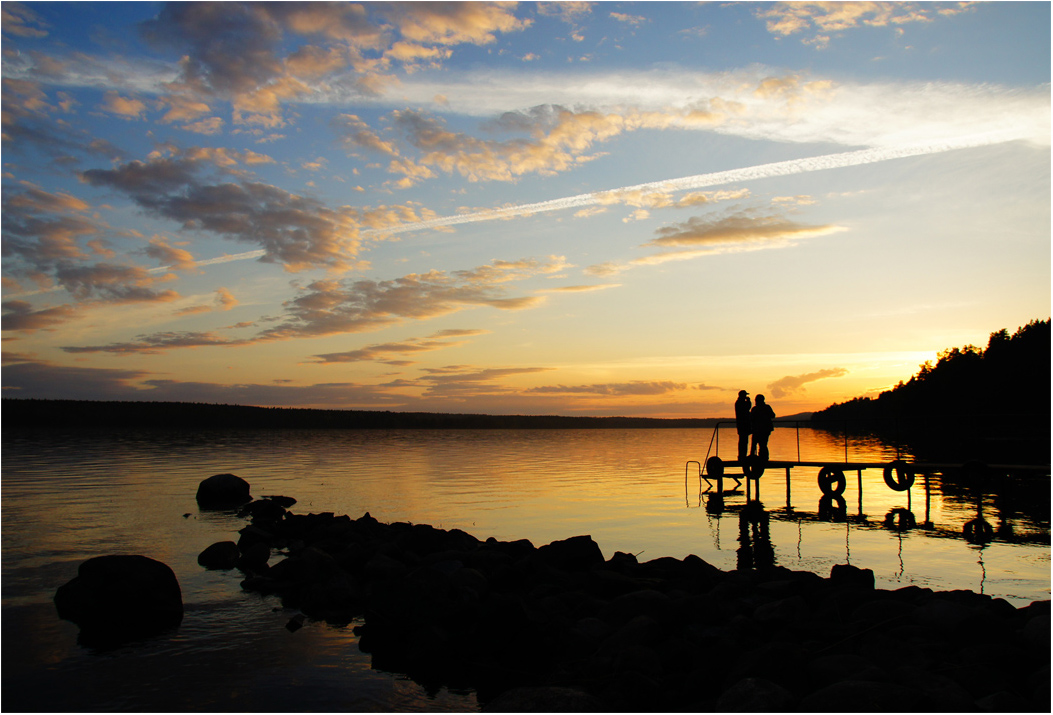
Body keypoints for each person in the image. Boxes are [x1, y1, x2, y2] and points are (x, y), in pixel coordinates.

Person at [749, 394, 776, 461]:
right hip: (762, 429)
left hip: (761, 429)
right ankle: (762, 457)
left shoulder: (756, 409)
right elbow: (772, 415)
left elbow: (751, 418)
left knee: (760, 444)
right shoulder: (765, 407)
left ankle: (760, 457)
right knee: (762, 444)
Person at [734, 390, 752, 462]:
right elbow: (747, 408)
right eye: (745, 395)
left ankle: (742, 455)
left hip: (742, 424)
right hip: (743, 424)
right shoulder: (740, 403)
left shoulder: (738, 402)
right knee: (743, 441)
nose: (746, 396)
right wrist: (749, 402)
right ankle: (742, 456)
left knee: (743, 441)